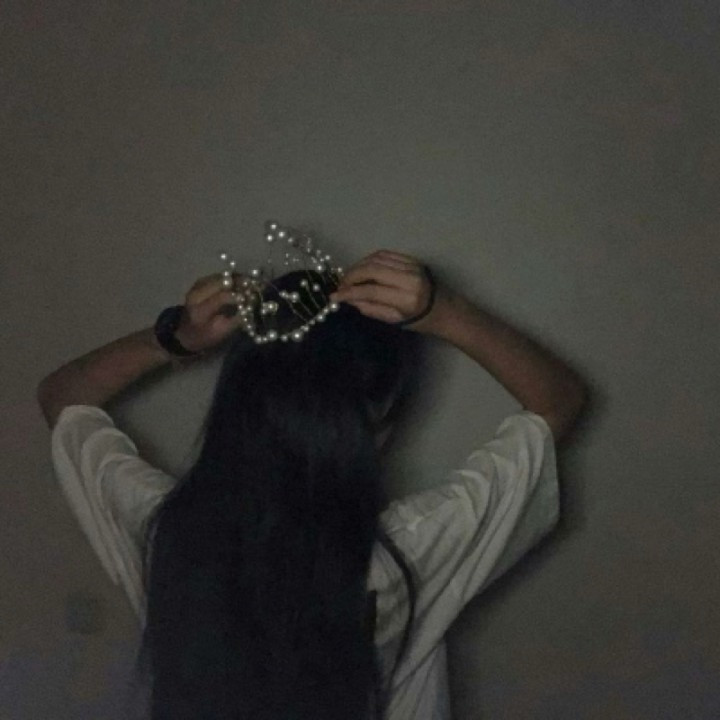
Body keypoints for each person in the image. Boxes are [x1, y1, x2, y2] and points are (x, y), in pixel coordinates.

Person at [42, 246, 586, 720]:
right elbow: (558, 401)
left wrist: (175, 338)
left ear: (237, 397)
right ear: (379, 421)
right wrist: (445, 311)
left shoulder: (166, 532)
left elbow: (63, 397)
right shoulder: (412, 549)